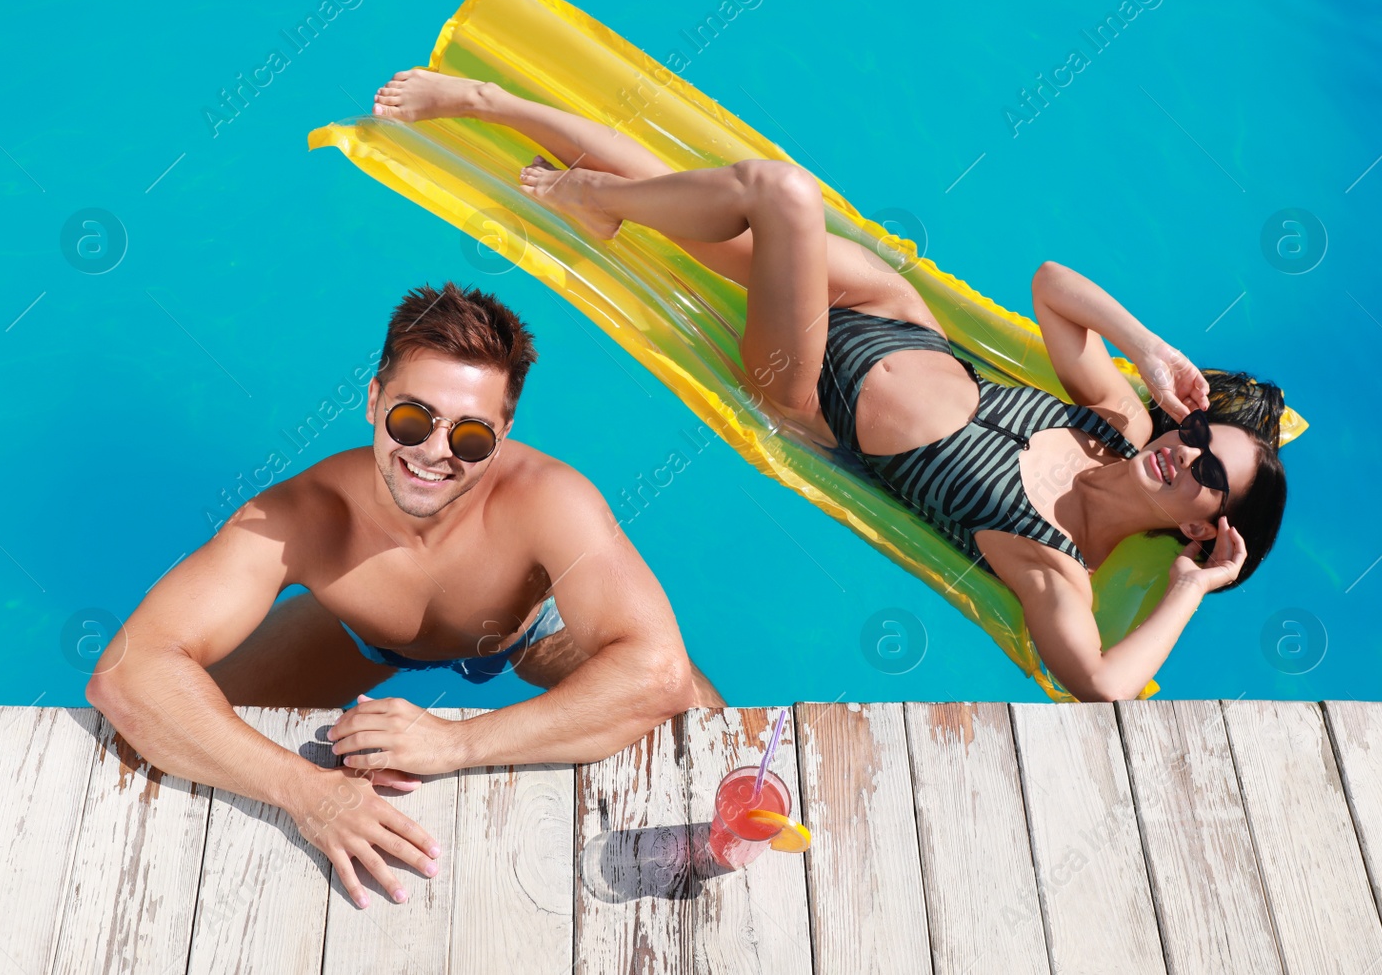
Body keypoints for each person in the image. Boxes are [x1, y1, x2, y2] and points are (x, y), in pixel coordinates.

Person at [365, 68, 1288, 705]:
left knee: (780, 195)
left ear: (1206, 525)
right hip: (887, 310)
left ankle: (599, 200)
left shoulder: (1054, 562)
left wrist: (1190, 591)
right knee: (694, 189)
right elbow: (1054, 288)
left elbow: (1098, 684)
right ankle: (488, 103)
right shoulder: (1120, 419)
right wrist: (1152, 350)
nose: (1189, 449)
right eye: (1204, 435)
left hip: (804, 386)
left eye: (1209, 473)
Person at [86, 282, 722, 911]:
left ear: (503, 432)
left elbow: (655, 671)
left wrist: (456, 743)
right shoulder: (305, 516)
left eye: (470, 435)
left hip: (530, 631)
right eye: (412, 419)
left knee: (708, 735)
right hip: (359, 633)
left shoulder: (552, 500)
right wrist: (303, 790)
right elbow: (127, 674)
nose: (434, 452)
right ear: (373, 400)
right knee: (166, 732)